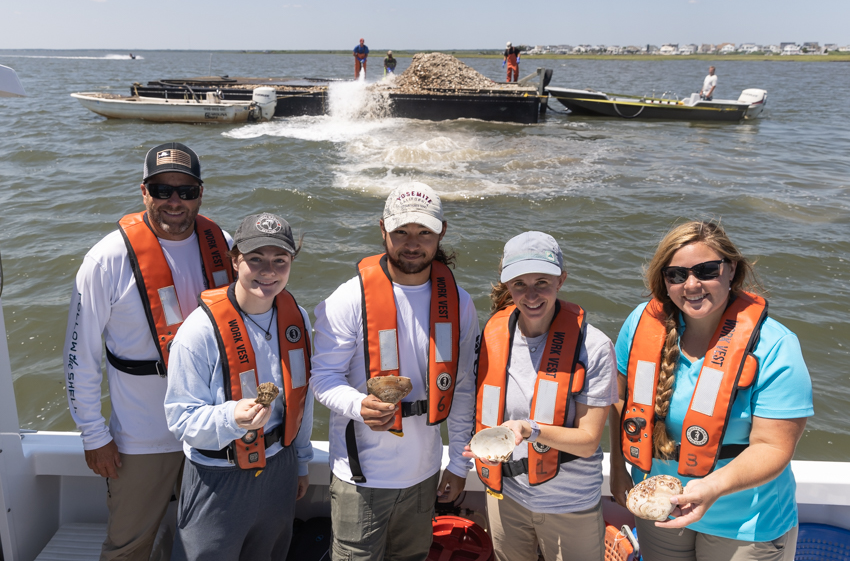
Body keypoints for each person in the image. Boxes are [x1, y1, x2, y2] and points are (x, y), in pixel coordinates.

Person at [62, 142, 235, 561]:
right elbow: (80, 355)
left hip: (212, 429)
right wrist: (93, 434)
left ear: (200, 194)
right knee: (129, 547)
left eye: (186, 191)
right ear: (143, 192)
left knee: (210, 544)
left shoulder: (225, 246)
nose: (174, 201)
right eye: (161, 190)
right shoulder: (106, 259)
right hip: (141, 438)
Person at [608, 220, 813, 561]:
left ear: (731, 270)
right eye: (676, 275)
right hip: (660, 509)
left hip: (745, 523)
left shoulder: (777, 346)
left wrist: (712, 488)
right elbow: (619, 400)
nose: (691, 285)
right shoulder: (641, 324)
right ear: (664, 281)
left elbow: (774, 446)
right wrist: (618, 469)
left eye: (706, 271)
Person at [310, 182, 480, 561]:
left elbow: (463, 388)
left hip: (424, 474)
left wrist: (458, 464)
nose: (412, 243)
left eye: (424, 232)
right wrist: (358, 406)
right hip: (360, 477)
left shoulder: (460, 302)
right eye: (401, 231)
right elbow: (323, 378)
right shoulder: (348, 298)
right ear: (382, 229)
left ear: (442, 232)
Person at [164, 212, 314, 560]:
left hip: (280, 469)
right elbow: (181, 419)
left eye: (280, 260)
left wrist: (301, 463)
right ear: (235, 260)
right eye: (255, 259)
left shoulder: (298, 318)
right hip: (219, 478)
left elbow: (301, 400)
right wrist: (232, 417)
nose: (268, 271)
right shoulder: (197, 332)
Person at [464, 232, 617, 561]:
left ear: (561, 280)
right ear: (507, 286)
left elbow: (588, 441)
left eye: (542, 282)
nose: (531, 295)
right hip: (507, 497)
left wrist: (529, 429)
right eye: (519, 284)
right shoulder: (492, 335)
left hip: (570, 505)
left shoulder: (594, 347)